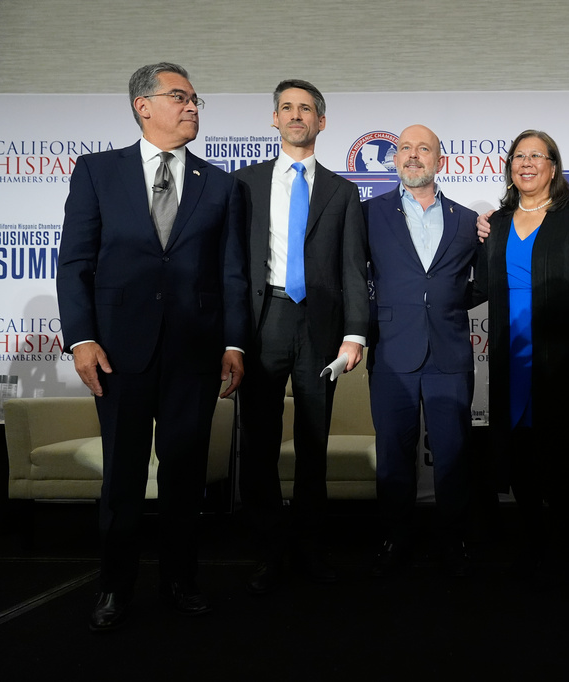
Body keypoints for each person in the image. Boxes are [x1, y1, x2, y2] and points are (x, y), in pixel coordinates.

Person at [57, 62, 251, 631]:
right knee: (121, 475)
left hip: (195, 353)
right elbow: (75, 263)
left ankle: (179, 580)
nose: (193, 107)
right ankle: (114, 588)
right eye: (180, 97)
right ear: (143, 105)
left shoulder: (222, 185)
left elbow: (232, 273)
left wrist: (235, 342)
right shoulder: (96, 173)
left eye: (196, 100)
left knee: (185, 474)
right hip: (119, 352)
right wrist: (82, 338)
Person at [233, 79, 368, 593]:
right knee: (260, 441)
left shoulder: (343, 191)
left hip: (320, 326)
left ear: (321, 122)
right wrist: (231, 336)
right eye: (286, 108)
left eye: (306, 109)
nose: (296, 115)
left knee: (314, 442)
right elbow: (232, 267)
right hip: (262, 321)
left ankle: (310, 547)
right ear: (274, 119)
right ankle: (270, 548)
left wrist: (355, 334)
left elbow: (355, 269)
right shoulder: (243, 185)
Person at [477, 130, 569, 567]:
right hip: (507, 354)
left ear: (554, 166)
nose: (526, 163)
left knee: (558, 447)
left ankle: (561, 542)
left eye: (537, 155)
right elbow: (476, 286)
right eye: (519, 155)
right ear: (509, 166)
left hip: (560, 355)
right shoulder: (495, 223)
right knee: (517, 447)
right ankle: (532, 537)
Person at [363, 124, 482, 577]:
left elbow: (482, 282)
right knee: (394, 451)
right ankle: (396, 536)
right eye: (405, 149)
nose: (414, 156)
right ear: (395, 160)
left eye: (424, 149)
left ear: (440, 161)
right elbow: (354, 279)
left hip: (449, 351)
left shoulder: (469, 220)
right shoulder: (369, 214)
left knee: (453, 452)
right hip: (392, 350)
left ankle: (455, 539)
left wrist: (448, 303)